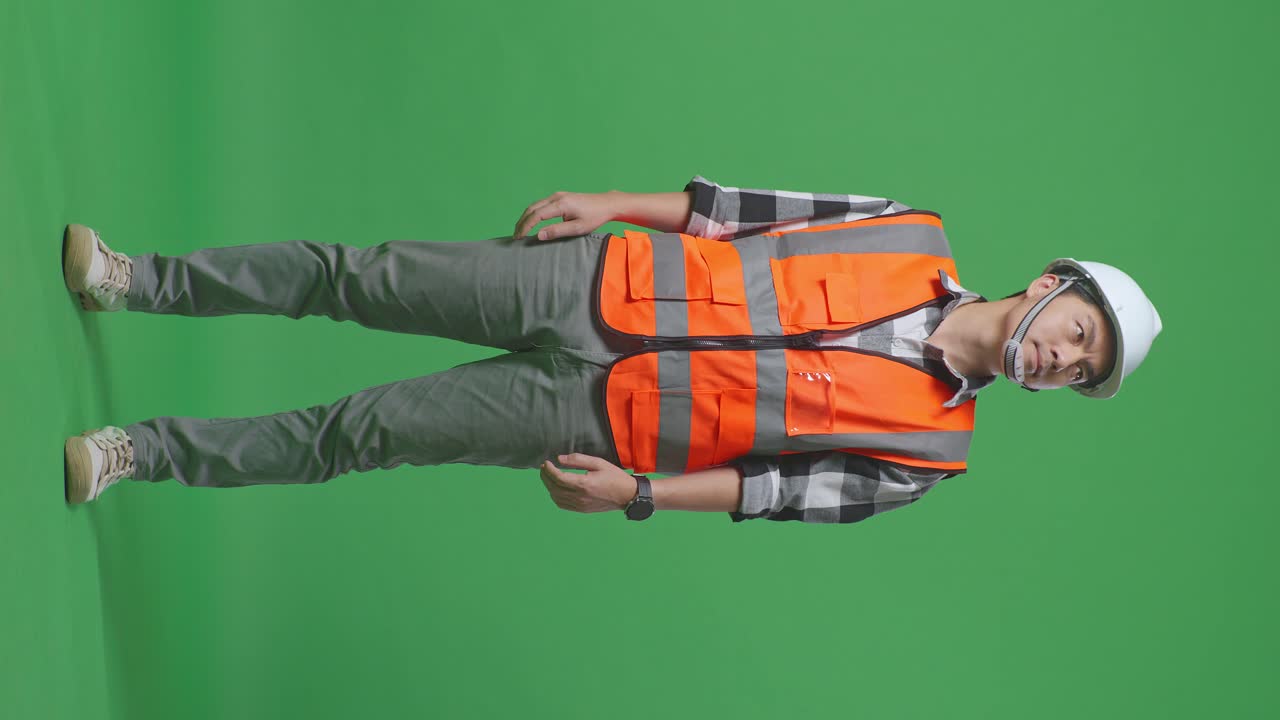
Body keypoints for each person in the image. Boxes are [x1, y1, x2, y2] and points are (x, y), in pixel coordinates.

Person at [62, 175, 1162, 524]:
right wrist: (609, 203)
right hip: (598, 280)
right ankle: (135, 281)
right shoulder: (907, 226)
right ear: (1052, 286)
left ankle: (140, 454)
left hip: (600, 421)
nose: (1062, 360)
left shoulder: (931, 459)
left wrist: (636, 494)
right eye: (1077, 333)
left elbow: (766, 497)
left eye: (1079, 371)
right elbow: (738, 208)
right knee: (359, 275)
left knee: (367, 432)